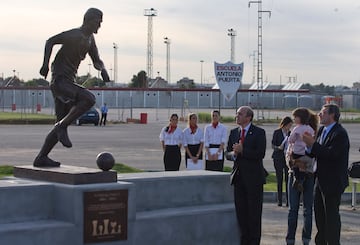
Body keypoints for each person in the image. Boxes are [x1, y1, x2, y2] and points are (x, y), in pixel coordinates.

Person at [33, 8, 110, 167]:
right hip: (60, 81)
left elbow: (96, 59)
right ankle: (62, 126)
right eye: (98, 22)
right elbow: (50, 41)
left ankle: (41, 157)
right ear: (88, 20)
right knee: (89, 99)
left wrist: (102, 69)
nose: (99, 26)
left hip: (68, 81)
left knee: (60, 123)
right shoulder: (75, 35)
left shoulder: (90, 40)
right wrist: (45, 64)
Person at [303, 104, 350, 245]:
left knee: (331, 217)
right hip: (320, 180)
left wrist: (313, 145)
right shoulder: (322, 130)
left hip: (333, 181)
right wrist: (308, 146)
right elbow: (315, 152)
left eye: (323, 112)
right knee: (320, 216)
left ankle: (333, 242)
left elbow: (332, 154)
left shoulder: (339, 133)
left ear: (332, 115)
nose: (319, 114)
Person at [225, 106, 266, 245]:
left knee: (253, 216)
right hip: (238, 179)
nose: (237, 116)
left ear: (248, 117)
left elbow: (260, 154)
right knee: (241, 215)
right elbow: (227, 154)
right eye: (237, 114)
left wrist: (243, 151)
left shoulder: (259, 133)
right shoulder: (233, 133)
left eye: (240, 114)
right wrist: (234, 154)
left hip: (254, 180)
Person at [285, 107, 318, 245]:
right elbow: (288, 156)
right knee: (294, 210)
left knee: (306, 209)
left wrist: (299, 163)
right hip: (295, 171)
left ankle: (305, 239)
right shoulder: (309, 130)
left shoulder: (304, 132)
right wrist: (295, 163)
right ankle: (291, 239)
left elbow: (314, 155)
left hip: (308, 174)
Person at [287, 108, 318, 192]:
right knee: (303, 169)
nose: (293, 119)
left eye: (295, 117)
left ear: (300, 118)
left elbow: (291, 140)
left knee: (294, 165)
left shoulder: (297, 128)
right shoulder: (310, 128)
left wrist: (291, 138)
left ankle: (297, 179)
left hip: (297, 152)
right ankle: (302, 180)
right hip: (307, 153)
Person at [271, 116, 293, 207]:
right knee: (279, 179)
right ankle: (279, 200)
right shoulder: (277, 132)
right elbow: (273, 144)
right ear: (284, 124)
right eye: (289, 125)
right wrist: (278, 148)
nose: (289, 127)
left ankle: (288, 200)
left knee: (288, 179)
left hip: (287, 158)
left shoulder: (291, 133)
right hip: (278, 157)